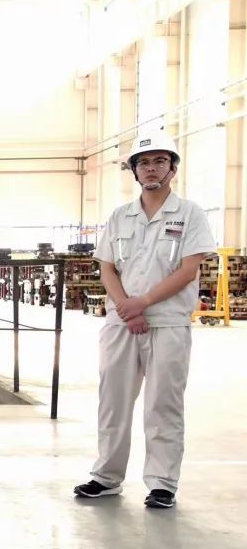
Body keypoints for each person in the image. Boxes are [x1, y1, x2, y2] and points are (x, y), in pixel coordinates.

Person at [74, 131, 216, 508]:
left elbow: (188, 269)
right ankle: (106, 477)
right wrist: (126, 306)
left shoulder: (190, 214)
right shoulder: (120, 217)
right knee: (113, 401)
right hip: (121, 323)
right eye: (143, 162)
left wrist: (144, 303)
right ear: (134, 171)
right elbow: (107, 267)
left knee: (162, 403)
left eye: (159, 161)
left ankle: (162, 482)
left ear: (172, 169)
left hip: (167, 322)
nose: (151, 168)